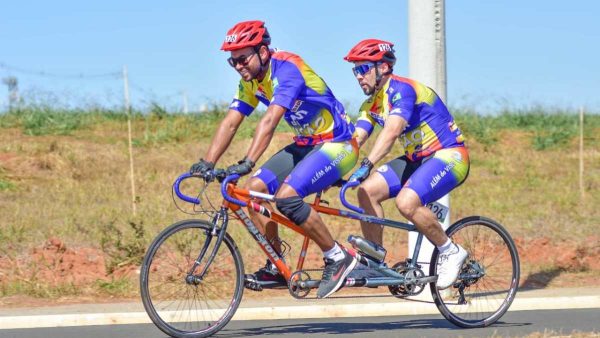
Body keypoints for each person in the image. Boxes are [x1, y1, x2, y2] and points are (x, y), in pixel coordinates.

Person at [190, 20, 358, 298]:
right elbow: (232, 122)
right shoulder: (251, 82)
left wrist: (249, 160)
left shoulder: (288, 68)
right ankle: (276, 264)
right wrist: (207, 162)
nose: (239, 66)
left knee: (286, 197)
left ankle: (337, 257)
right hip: (307, 145)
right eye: (233, 62)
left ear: (263, 52)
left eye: (242, 59)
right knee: (254, 190)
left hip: (337, 144)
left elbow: (271, 119)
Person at [344, 39, 470, 289]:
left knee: (406, 201)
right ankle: (374, 259)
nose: (358, 77)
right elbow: (356, 140)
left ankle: (450, 251)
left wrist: (368, 163)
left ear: (382, 67)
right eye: (355, 71)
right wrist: (333, 169)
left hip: (448, 155)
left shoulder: (403, 90)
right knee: (366, 191)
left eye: (363, 69)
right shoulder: (371, 104)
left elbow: (391, 132)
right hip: (417, 160)